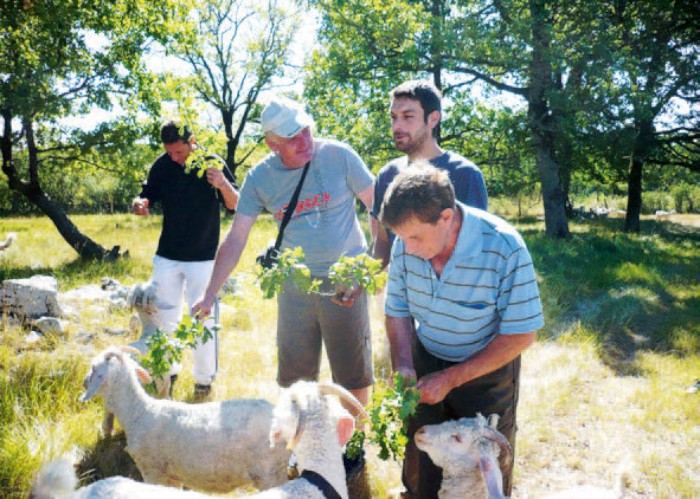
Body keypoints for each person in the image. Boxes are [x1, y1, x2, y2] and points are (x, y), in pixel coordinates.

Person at [192, 97, 375, 411]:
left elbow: (380, 208)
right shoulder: (259, 178)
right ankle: (303, 447)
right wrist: (209, 294)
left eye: (305, 130)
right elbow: (236, 238)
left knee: (352, 373)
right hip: (294, 286)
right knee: (296, 380)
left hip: (347, 281)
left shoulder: (339, 155)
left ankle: (354, 449)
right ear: (272, 143)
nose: (304, 141)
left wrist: (369, 267)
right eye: (292, 138)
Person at [379, 163, 543, 498]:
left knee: (483, 467)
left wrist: (452, 378)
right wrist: (405, 364)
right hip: (426, 359)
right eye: (400, 238)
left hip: (486, 371)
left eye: (415, 238)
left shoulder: (504, 246)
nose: (406, 248)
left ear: (446, 218)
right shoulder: (405, 244)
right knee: (423, 453)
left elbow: (522, 334)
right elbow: (396, 311)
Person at [132, 120, 239, 399]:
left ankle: (203, 382)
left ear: (192, 141)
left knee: (203, 320)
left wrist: (223, 183)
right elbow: (147, 195)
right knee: (164, 318)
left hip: (203, 258)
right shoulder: (163, 164)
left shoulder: (211, 161)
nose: (174, 158)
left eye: (179, 152)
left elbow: (235, 203)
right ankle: (167, 373)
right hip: (167, 256)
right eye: (170, 153)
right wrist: (140, 204)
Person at [371, 80, 488, 268]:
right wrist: (357, 280)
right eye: (394, 117)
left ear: (433, 119)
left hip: (454, 292)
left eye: (408, 117)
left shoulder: (466, 174)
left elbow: (477, 246)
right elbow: (383, 244)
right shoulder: (387, 175)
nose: (397, 127)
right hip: (402, 293)